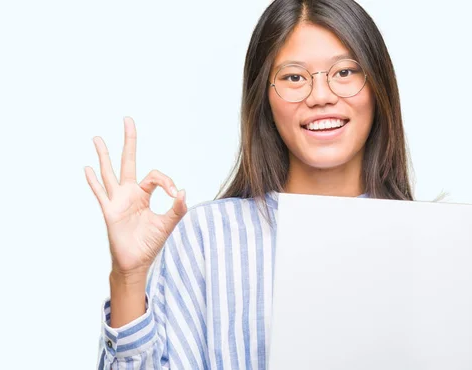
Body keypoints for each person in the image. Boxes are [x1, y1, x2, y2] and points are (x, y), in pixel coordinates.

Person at [85, 0, 414, 368]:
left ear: (378, 84)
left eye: (345, 72)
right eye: (294, 77)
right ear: (265, 98)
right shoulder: (206, 238)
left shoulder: (427, 242)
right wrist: (128, 279)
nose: (321, 96)